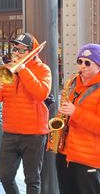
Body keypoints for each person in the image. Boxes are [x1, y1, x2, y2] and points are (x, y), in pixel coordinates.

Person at [0, 33, 52, 194]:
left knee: (32, 179)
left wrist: (23, 70)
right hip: (10, 132)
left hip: (34, 134)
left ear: (32, 52)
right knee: (4, 175)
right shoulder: (7, 69)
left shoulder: (43, 69)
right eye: (14, 49)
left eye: (20, 51)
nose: (15, 53)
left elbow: (41, 93)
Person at [56, 43, 100, 194]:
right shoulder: (73, 84)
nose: (82, 66)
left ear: (98, 66)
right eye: (79, 61)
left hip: (88, 160)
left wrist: (75, 113)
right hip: (66, 155)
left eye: (87, 63)